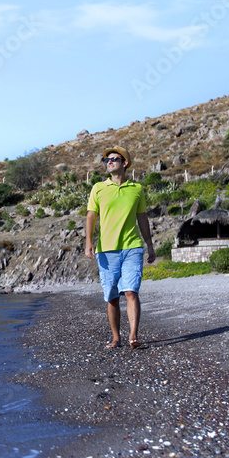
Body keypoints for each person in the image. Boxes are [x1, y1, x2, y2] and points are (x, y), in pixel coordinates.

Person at [84, 146, 156, 349]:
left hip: (132, 247)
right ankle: (116, 338)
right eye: (106, 159)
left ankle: (133, 336)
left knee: (131, 291)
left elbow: (142, 218)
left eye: (114, 158)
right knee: (112, 296)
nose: (109, 161)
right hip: (106, 250)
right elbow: (91, 216)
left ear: (125, 163)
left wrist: (149, 245)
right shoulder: (98, 188)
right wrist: (89, 242)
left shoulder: (137, 189)